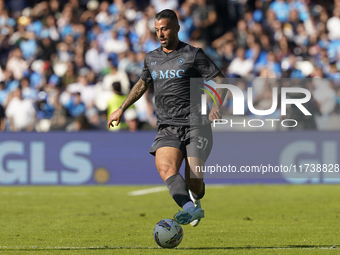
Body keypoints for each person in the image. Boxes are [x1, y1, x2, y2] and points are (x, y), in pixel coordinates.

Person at [107, 9, 227, 226]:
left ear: (177, 28)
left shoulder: (193, 54)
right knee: (165, 168)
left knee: (194, 181)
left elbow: (220, 80)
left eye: (164, 29)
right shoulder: (151, 58)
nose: (160, 34)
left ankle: (195, 198)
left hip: (196, 125)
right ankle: (189, 209)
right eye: (157, 30)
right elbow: (142, 84)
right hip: (167, 126)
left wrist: (216, 105)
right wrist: (122, 108)